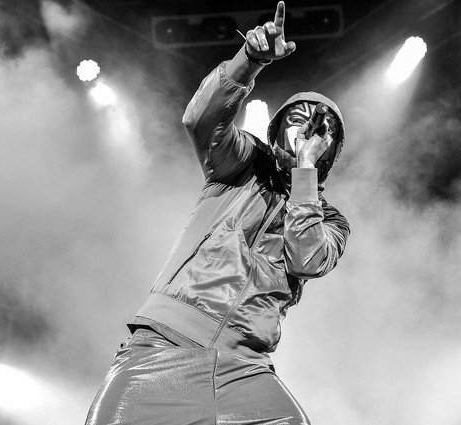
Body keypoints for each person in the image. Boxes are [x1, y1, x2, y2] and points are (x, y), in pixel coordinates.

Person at [85, 2, 349, 424]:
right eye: (296, 119)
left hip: (245, 368)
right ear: (275, 131)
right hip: (164, 349)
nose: (307, 130)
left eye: (321, 129)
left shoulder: (331, 221)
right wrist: (249, 61)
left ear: (330, 151)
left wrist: (304, 170)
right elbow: (200, 120)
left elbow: (308, 259)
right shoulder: (244, 161)